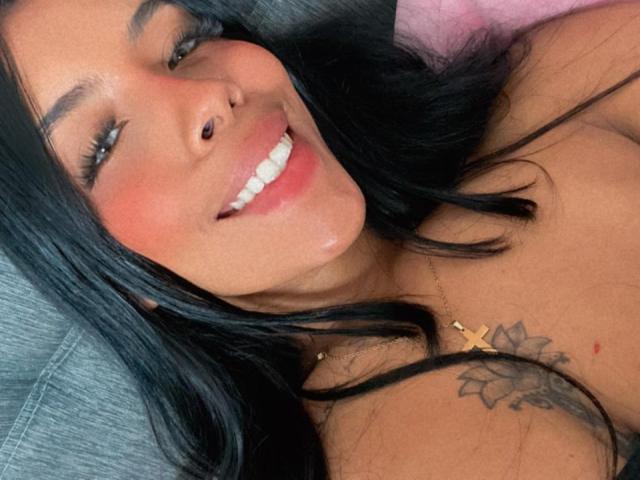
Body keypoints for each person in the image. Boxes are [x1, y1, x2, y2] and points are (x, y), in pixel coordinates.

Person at [0, 0, 638, 478]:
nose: (208, 97)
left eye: (184, 44)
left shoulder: (569, 89)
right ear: (104, 275)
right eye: (105, 143)